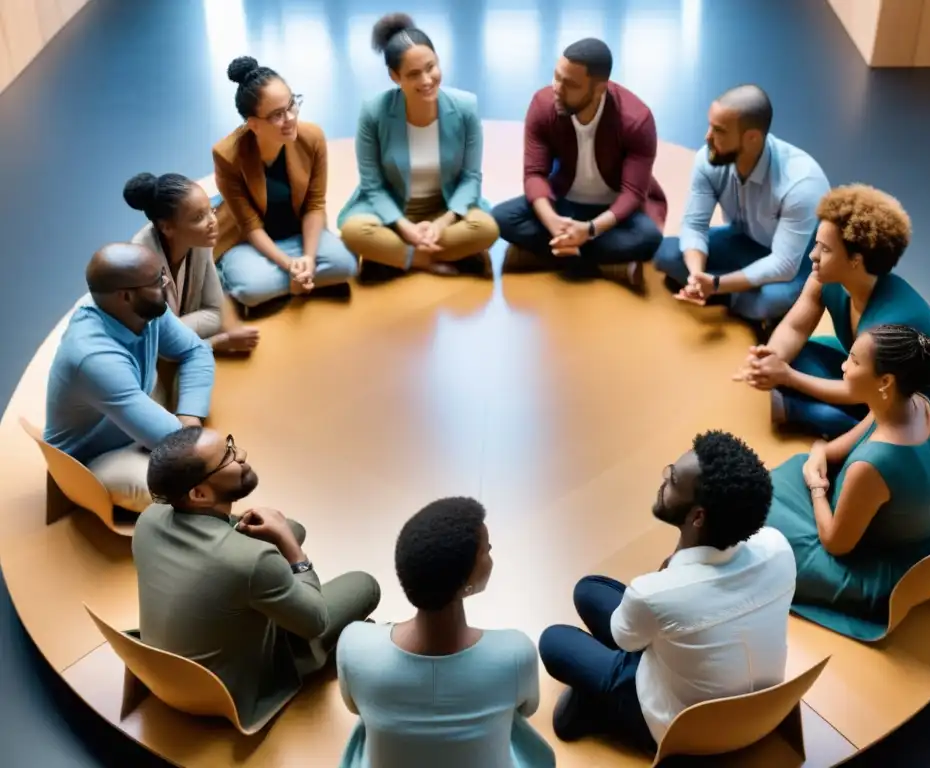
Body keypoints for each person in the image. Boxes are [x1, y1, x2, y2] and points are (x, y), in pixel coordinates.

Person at [538, 432, 796, 754]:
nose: (663, 481)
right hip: (762, 713)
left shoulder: (654, 592)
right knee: (588, 591)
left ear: (697, 517)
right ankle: (595, 693)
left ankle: (599, 700)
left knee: (554, 640)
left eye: (673, 480)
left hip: (682, 731)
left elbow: (628, 641)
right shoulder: (777, 547)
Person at [134, 427, 381, 731]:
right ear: (199, 494)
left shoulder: (149, 519)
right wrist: (292, 550)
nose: (242, 455)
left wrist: (283, 531)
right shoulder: (254, 562)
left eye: (230, 444)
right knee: (364, 585)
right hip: (223, 689)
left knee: (292, 527)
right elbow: (316, 620)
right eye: (228, 456)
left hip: (163, 670)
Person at [337, 497, 555, 768]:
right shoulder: (515, 652)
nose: (490, 549)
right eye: (485, 550)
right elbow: (527, 708)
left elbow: (353, 706)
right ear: (466, 581)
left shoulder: (354, 646)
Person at [766, 324, 930, 641]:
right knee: (796, 467)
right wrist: (820, 452)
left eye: (853, 361)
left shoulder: (872, 466)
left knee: (756, 519)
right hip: (920, 537)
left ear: (885, 381)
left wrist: (816, 487)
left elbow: (836, 543)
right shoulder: (918, 405)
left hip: (880, 571)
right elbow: (837, 448)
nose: (843, 366)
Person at [734, 184, 930, 439]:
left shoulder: (888, 324)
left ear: (856, 260)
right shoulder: (826, 278)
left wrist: (786, 378)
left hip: (919, 413)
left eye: (825, 249)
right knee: (795, 353)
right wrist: (770, 361)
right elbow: (795, 327)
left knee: (842, 421)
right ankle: (803, 404)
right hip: (869, 376)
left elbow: (856, 392)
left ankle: (795, 410)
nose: (813, 255)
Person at [43, 243, 215, 512]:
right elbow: (170, 440)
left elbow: (195, 350)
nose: (166, 282)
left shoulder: (144, 308)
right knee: (192, 492)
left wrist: (190, 415)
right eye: (157, 280)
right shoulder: (92, 357)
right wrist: (191, 438)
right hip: (93, 457)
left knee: (196, 466)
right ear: (126, 296)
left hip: (134, 422)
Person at [491, 38, 666, 292]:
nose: (557, 89)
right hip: (563, 205)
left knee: (649, 239)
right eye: (556, 77)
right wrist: (551, 221)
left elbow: (632, 194)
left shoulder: (636, 119)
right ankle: (606, 263)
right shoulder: (543, 105)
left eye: (570, 84)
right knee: (501, 218)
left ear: (599, 89)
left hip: (611, 214)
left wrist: (591, 230)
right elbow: (534, 174)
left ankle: (545, 254)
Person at [653, 85, 829, 336]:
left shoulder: (801, 183)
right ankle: (737, 300)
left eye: (719, 131)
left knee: (771, 300)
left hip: (794, 260)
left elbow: (784, 264)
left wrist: (716, 284)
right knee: (667, 254)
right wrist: (696, 275)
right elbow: (694, 224)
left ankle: (730, 297)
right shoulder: (709, 159)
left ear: (752, 138)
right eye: (710, 125)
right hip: (744, 240)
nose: (707, 137)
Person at [337, 14, 499, 282]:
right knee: (354, 232)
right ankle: (428, 258)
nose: (426, 80)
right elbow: (371, 185)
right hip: (391, 211)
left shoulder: (466, 107)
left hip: (445, 207)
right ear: (394, 76)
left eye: (431, 67)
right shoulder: (373, 112)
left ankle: (394, 257)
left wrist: (443, 223)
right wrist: (403, 226)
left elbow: (471, 178)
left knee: (487, 229)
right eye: (413, 74)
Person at [213, 56, 358, 309]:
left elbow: (314, 205)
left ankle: (287, 285)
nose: (290, 118)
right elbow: (249, 225)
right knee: (251, 289)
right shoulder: (227, 155)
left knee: (347, 266)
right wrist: (290, 266)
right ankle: (281, 279)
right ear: (254, 124)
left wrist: (309, 259)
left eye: (292, 104)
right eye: (277, 115)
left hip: (298, 233)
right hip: (250, 241)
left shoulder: (311, 137)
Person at [124, 172, 259, 353]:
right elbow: (157, 340)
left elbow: (215, 311)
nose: (213, 221)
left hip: (177, 329)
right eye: (198, 218)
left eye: (210, 211)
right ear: (167, 228)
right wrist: (219, 343)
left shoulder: (200, 241)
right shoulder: (141, 264)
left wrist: (181, 329)